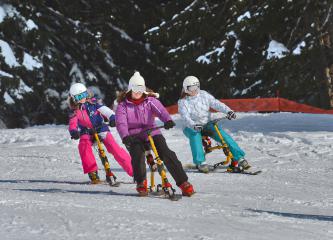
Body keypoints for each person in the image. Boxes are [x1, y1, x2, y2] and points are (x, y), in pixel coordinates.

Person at [115, 71, 194, 197]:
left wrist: (167, 120)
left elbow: (161, 111)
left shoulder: (149, 100)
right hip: (133, 136)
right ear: (130, 89)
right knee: (137, 154)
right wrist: (125, 136)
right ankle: (141, 182)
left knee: (166, 152)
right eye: (135, 89)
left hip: (152, 132)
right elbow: (121, 123)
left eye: (140, 88)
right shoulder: (122, 106)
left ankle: (183, 182)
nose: (137, 92)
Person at [178, 76, 250, 173]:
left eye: (197, 87)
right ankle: (201, 162)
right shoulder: (183, 102)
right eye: (192, 88)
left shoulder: (204, 95)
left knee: (223, 136)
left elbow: (216, 104)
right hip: (190, 127)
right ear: (186, 89)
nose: (195, 90)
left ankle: (239, 158)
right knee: (195, 136)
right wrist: (193, 125)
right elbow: (185, 117)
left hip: (206, 123)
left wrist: (228, 111)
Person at [68, 83, 133, 183]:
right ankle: (92, 171)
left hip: (101, 129)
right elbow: (73, 123)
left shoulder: (93, 104)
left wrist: (112, 118)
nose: (83, 98)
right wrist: (74, 131)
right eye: (79, 96)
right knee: (83, 145)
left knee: (114, 147)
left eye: (84, 94)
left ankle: (134, 171)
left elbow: (106, 110)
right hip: (87, 132)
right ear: (74, 98)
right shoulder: (74, 112)